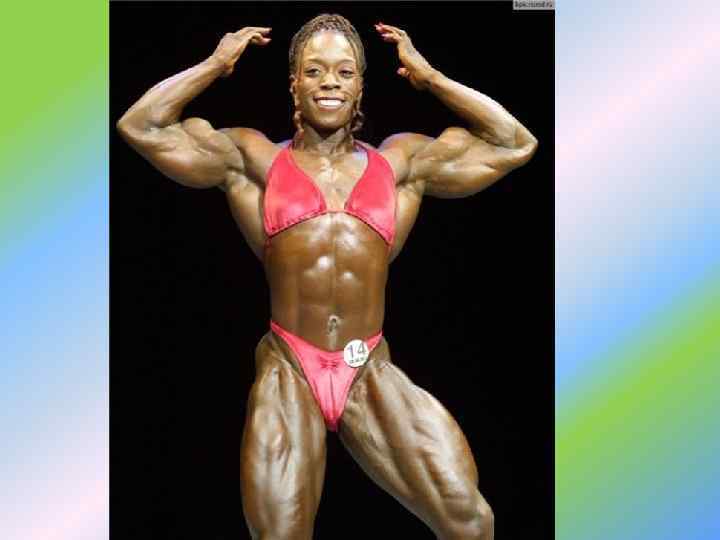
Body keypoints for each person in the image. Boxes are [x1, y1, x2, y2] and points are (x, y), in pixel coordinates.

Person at [117, 13, 537, 540]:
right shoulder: (255, 159)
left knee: (471, 523)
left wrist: (431, 79)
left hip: (367, 366)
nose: (329, 83)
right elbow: (141, 126)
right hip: (291, 364)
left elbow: (513, 142)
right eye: (314, 71)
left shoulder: (399, 164)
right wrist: (215, 65)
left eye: (343, 72)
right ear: (294, 83)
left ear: (360, 85)